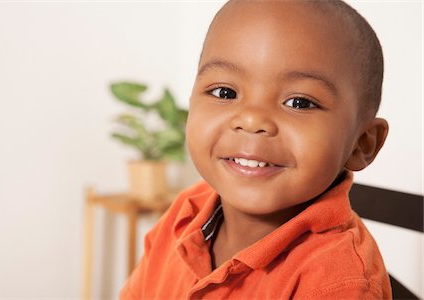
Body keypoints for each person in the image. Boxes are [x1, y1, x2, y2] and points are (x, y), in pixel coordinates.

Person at [120, 0, 392, 298]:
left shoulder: (339, 284)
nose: (252, 120)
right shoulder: (187, 212)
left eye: (299, 102)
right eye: (225, 92)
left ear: (363, 144)